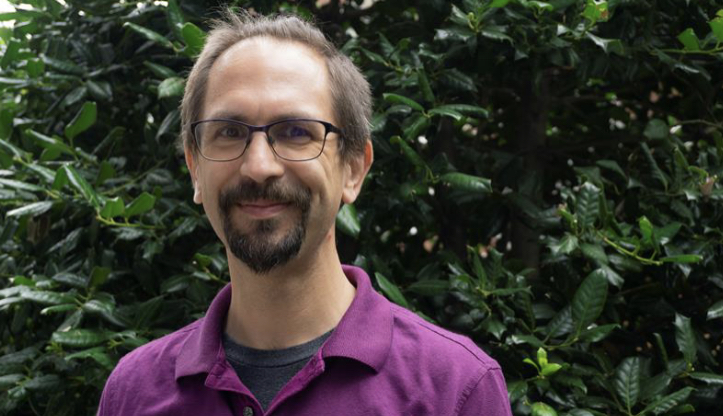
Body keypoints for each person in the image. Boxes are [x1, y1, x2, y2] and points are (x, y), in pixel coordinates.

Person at [97, 9, 513, 416]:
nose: (259, 166)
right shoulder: (132, 392)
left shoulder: (455, 389)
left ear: (354, 169)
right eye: (228, 132)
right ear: (195, 169)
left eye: (296, 132)